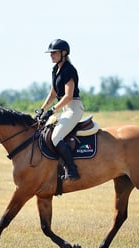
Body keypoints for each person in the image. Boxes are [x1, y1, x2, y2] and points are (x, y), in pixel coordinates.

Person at [36, 39, 84, 180]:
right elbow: (53, 94)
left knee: (56, 137)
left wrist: (52, 110)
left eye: (54, 53)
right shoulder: (55, 70)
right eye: (50, 53)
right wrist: (42, 109)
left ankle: (72, 170)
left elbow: (68, 96)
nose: (51, 55)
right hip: (64, 109)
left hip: (74, 108)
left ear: (64, 53)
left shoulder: (69, 70)